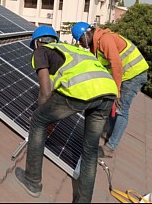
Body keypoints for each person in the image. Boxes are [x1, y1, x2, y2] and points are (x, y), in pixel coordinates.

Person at [14, 26, 118, 203]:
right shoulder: (73, 49)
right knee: (90, 149)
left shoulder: (41, 51)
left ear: (38, 42)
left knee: (38, 120)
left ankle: (32, 180)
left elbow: (46, 93)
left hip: (83, 91)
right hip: (108, 91)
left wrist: (45, 115)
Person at [71, 22, 148, 158]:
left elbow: (116, 65)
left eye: (81, 40)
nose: (81, 44)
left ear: (86, 34)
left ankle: (111, 147)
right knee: (112, 103)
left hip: (134, 74)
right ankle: (109, 134)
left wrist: (117, 90)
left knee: (121, 109)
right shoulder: (95, 45)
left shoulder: (105, 40)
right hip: (125, 75)